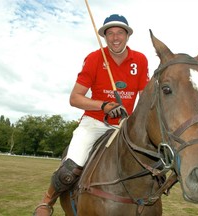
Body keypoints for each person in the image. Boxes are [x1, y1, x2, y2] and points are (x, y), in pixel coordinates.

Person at [34, 14, 149, 215]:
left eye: (119, 33)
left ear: (127, 36)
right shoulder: (95, 58)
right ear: (104, 36)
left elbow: (145, 99)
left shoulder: (139, 60)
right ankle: (46, 202)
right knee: (71, 166)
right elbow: (75, 98)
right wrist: (103, 105)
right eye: (110, 33)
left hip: (123, 126)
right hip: (94, 123)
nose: (115, 37)